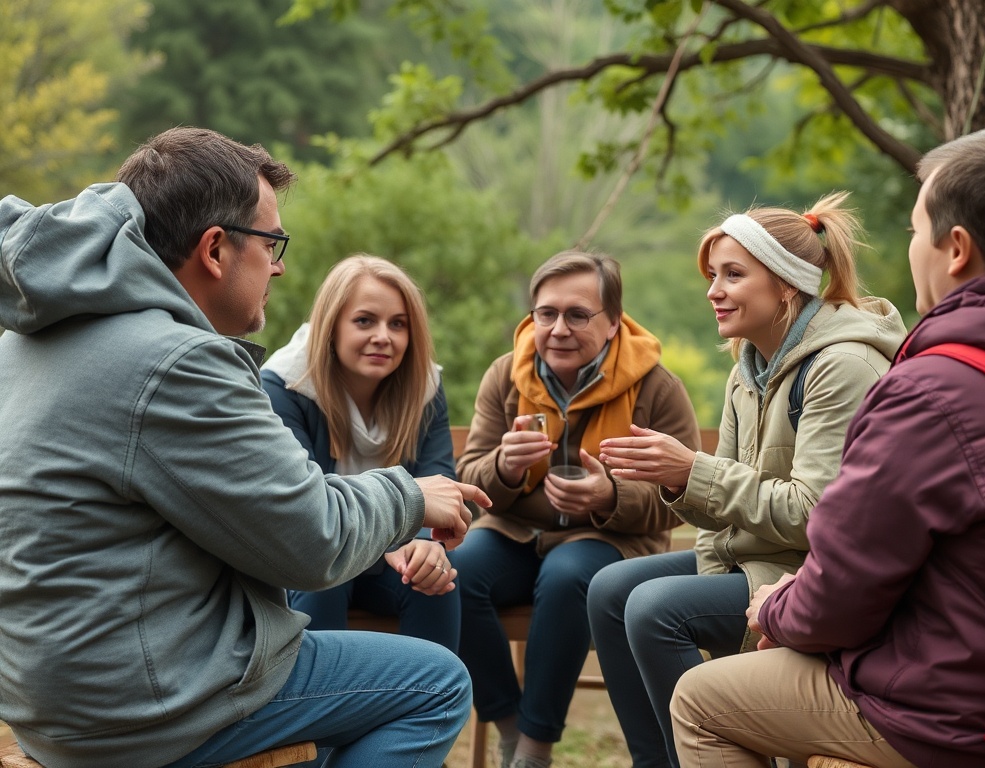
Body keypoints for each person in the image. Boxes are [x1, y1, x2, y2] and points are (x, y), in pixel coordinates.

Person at [0, 126, 491, 768]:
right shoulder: (174, 362)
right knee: (436, 684)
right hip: (141, 706)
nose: (280, 265)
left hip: (53, 697)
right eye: (271, 243)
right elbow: (311, 541)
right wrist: (411, 495)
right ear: (214, 250)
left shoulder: (30, 339)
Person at [669, 128, 985, 768]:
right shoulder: (747, 366)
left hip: (945, 704)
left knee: (698, 699)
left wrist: (776, 608)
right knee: (631, 597)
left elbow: (845, 584)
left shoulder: (928, 389)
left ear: (958, 250)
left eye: (917, 232)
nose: (714, 290)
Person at [589, 192, 906, 768]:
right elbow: (726, 502)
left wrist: (694, 469)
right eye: (713, 275)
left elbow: (817, 514)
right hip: (758, 557)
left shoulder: (843, 365)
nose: (714, 291)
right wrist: (680, 480)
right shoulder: (748, 366)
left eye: (733, 275)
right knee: (610, 590)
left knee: (656, 607)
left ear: (787, 285)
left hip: (811, 574)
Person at [452, 250, 701, 768]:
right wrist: (505, 468)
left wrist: (608, 496)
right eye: (546, 313)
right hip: (517, 534)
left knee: (568, 576)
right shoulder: (507, 376)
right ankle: (510, 729)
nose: (558, 328)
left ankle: (535, 752)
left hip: (610, 543)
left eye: (577, 314)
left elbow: (684, 500)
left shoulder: (656, 387)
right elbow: (470, 479)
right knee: (461, 569)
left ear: (613, 323)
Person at [262, 254, 461, 651]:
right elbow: (308, 513)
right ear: (330, 326)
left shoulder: (424, 387)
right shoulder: (285, 386)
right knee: (323, 583)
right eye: (365, 321)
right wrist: (395, 537)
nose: (383, 336)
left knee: (435, 580)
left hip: (391, 555)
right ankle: (325, 711)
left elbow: (440, 481)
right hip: (314, 554)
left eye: (398, 324)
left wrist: (426, 545)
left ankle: (430, 709)